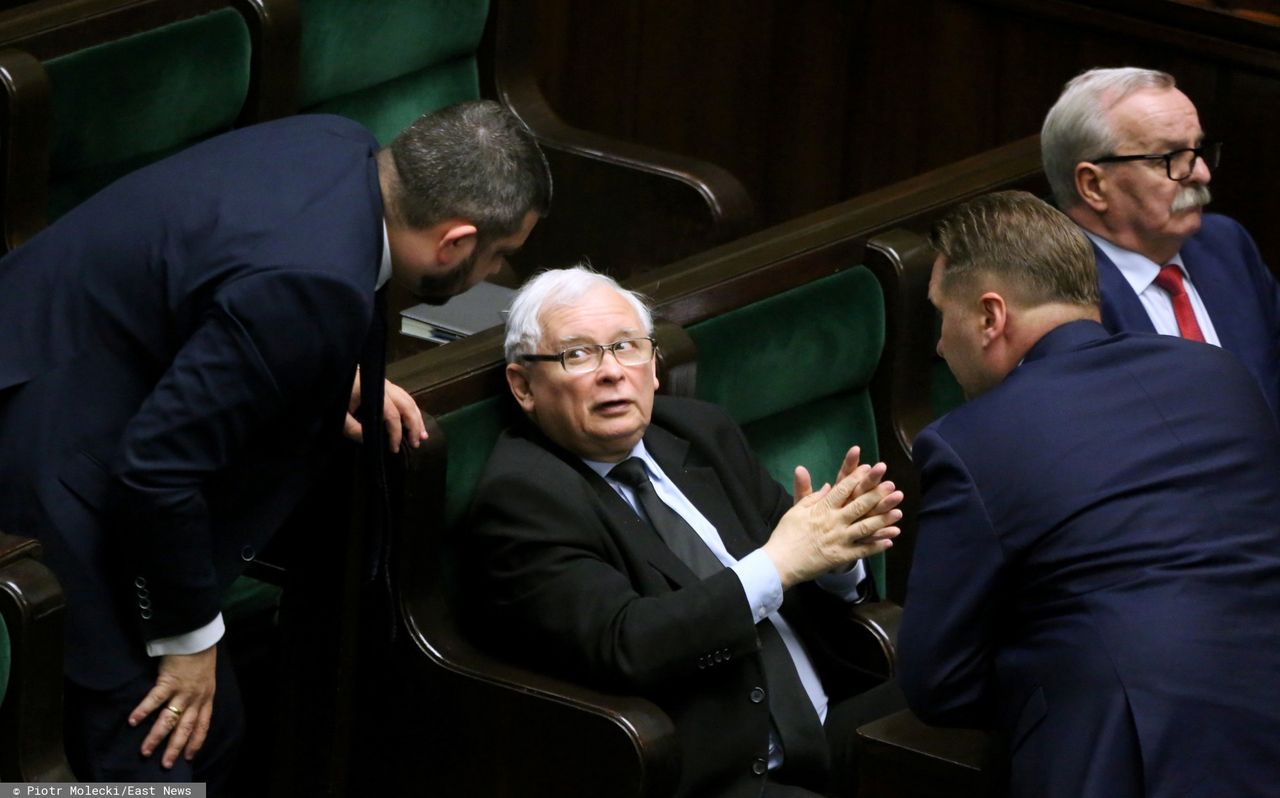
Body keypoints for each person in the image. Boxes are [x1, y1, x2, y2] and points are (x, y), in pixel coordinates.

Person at [0, 99, 551, 788]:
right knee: (162, 757)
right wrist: (188, 642)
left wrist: (313, 365)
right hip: (43, 457)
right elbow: (155, 474)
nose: (496, 273)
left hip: (58, 354)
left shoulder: (338, 146)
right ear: (455, 242)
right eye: (499, 255)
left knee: (218, 731)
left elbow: (234, 282)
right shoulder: (313, 284)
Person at [467, 266, 904, 798]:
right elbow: (629, 643)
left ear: (653, 367)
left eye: (627, 347)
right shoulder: (524, 497)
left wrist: (836, 557)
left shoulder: (700, 431)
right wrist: (781, 562)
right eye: (578, 355)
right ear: (523, 385)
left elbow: (801, 560)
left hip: (831, 719)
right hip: (723, 775)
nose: (612, 372)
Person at [898, 190, 1280, 798]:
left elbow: (938, 682)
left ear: (990, 317)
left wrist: (1050, 668)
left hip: (1131, 756)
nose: (940, 345)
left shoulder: (972, 442)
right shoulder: (1220, 373)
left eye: (942, 315)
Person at [1041, 65, 1280, 415]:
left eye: (1198, 150)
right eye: (1169, 159)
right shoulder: (1058, 294)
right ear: (1094, 186)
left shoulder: (1225, 244)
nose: (1202, 173)